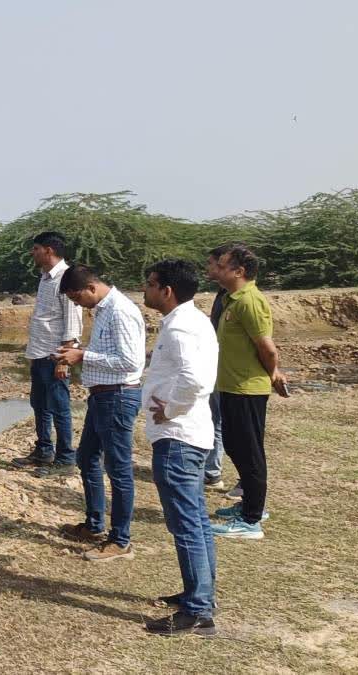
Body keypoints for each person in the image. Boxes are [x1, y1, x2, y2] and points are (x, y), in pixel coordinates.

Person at [139, 259, 219, 636]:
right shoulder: (189, 320)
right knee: (195, 520)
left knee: (186, 524)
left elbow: (194, 379)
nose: (145, 290)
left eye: (150, 284)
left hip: (179, 436)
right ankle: (199, 595)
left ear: (166, 290)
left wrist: (169, 409)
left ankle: (198, 611)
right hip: (188, 434)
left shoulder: (181, 326)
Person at [52, 265, 145, 560]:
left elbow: (130, 362)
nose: (78, 305)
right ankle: (94, 525)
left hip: (117, 396)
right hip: (102, 396)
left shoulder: (120, 311)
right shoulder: (103, 309)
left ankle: (120, 540)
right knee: (87, 458)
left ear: (91, 288)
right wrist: (78, 352)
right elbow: (111, 351)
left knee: (118, 469)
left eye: (77, 298)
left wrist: (83, 355)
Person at [207, 243, 289, 539]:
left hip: (247, 389)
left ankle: (251, 520)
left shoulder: (250, 301)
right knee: (235, 446)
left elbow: (267, 348)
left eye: (221, 266)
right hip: (231, 386)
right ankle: (250, 505)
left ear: (238, 271)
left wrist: (273, 374)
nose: (214, 270)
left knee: (250, 452)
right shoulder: (231, 299)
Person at [12, 232, 84, 471]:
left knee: (59, 407)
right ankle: (43, 451)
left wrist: (64, 360)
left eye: (36, 249)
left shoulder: (67, 278)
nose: (32, 253)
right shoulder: (45, 278)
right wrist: (33, 356)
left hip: (55, 355)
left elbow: (72, 323)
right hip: (39, 353)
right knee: (40, 404)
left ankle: (65, 458)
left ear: (48, 250)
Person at [203, 248, 230, 493]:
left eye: (213, 264)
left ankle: (212, 472)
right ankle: (211, 469)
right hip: (218, 366)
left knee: (217, 420)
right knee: (215, 418)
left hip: (224, 369)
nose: (209, 269)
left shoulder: (233, 297)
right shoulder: (223, 294)